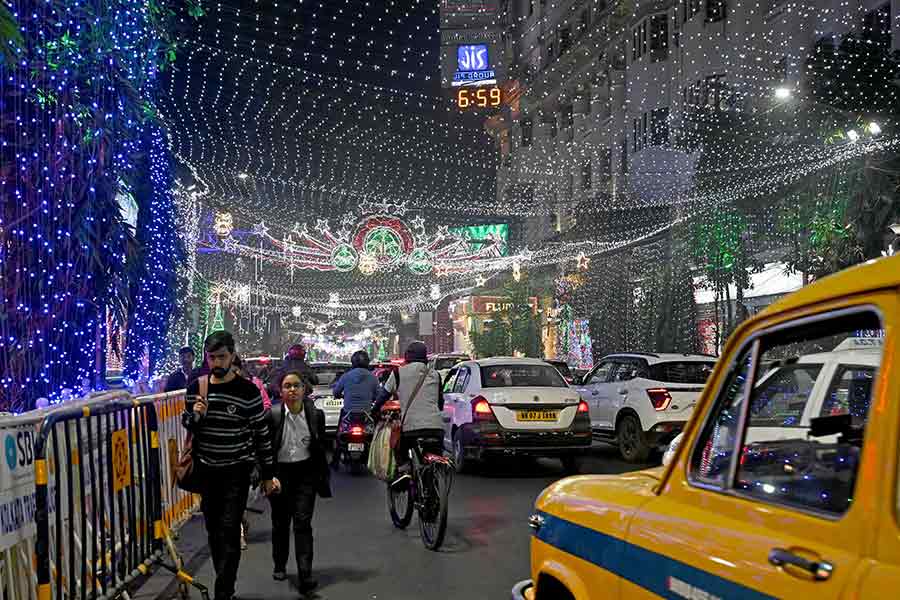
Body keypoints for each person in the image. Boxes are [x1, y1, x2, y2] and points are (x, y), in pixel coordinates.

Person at [181, 331, 279, 600]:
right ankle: (224, 580)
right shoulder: (196, 387)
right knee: (214, 531)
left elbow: (261, 434)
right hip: (207, 471)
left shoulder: (247, 390)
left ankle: (224, 590)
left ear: (232, 356)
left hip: (237, 471)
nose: (216, 363)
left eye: (222, 357)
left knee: (230, 528)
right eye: (211, 358)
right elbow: (187, 425)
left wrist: (268, 474)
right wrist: (196, 415)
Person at [267, 371, 332, 593]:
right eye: (287, 386)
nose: (292, 390)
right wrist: (268, 476)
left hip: (305, 474)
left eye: (296, 386)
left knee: (303, 523)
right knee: (280, 523)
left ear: (304, 390)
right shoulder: (273, 415)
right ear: (280, 391)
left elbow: (320, 446)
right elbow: (265, 449)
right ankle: (279, 564)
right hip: (280, 475)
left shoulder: (316, 415)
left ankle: (305, 573)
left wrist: (320, 475)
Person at [373, 341, 444, 471]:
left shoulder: (398, 373)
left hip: (411, 428)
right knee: (434, 460)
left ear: (407, 357)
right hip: (436, 427)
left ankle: (404, 472)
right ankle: (433, 477)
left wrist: (374, 412)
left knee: (399, 449)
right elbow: (440, 403)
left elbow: (382, 397)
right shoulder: (435, 374)